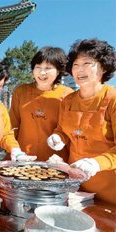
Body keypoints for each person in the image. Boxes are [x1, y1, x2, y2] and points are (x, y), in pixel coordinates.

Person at [47, 39, 116, 205]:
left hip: (110, 190)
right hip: (76, 188)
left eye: (87, 63)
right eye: (76, 64)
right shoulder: (68, 100)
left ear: (104, 68)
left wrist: (96, 163)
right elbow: (62, 130)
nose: (80, 69)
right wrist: (58, 137)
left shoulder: (112, 99)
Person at [9, 47, 73, 162]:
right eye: (38, 67)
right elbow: (13, 126)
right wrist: (13, 150)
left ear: (58, 71)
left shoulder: (67, 94)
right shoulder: (21, 91)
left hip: (55, 161)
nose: (42, 72)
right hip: (23, 158)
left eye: (48, 68)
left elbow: (69, 130)